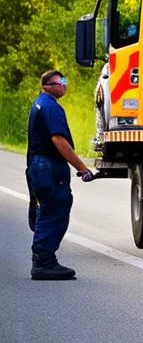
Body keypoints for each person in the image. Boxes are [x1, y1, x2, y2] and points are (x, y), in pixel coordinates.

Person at [26, 69, 95, 280]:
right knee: (54, 211)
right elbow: (58, 140)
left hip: (38, 166)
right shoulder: (50, 107)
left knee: (48, 210)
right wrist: (82, 168)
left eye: (64, 81)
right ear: (47, 85)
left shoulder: (40, 103)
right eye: (60, 81)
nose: (64, 85)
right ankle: (43, 262)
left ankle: (45, 259)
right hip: (49, 167)